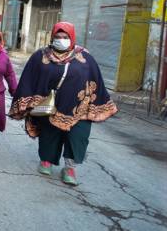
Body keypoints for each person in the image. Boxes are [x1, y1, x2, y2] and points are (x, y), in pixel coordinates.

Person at [9, 22, 118, 186]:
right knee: (49, 134)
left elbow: (97, 80)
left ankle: (69, 168)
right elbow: (28, 79)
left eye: (65, 37)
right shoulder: (41, 55)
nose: (61, 40)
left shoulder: (85, 57)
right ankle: (46, 160)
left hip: (79, 108)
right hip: (50, 105)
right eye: (58, 37)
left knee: (78, 138)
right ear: (52, 37)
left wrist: (98, 104)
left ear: (72, 37)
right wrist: (26, 101)